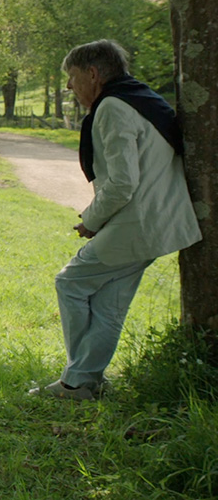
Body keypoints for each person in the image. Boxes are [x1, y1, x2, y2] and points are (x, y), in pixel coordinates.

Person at [31, 39, 201, 400]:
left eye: (72, 77)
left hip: (137, 224)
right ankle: (84, 380)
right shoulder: (140, 99)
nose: (69, 87)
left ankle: (78, 380)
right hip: (158, 223)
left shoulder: (112, 107)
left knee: (70, 283)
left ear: (93, 74)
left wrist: (91, 220)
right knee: (109, 304)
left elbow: (123, 182)